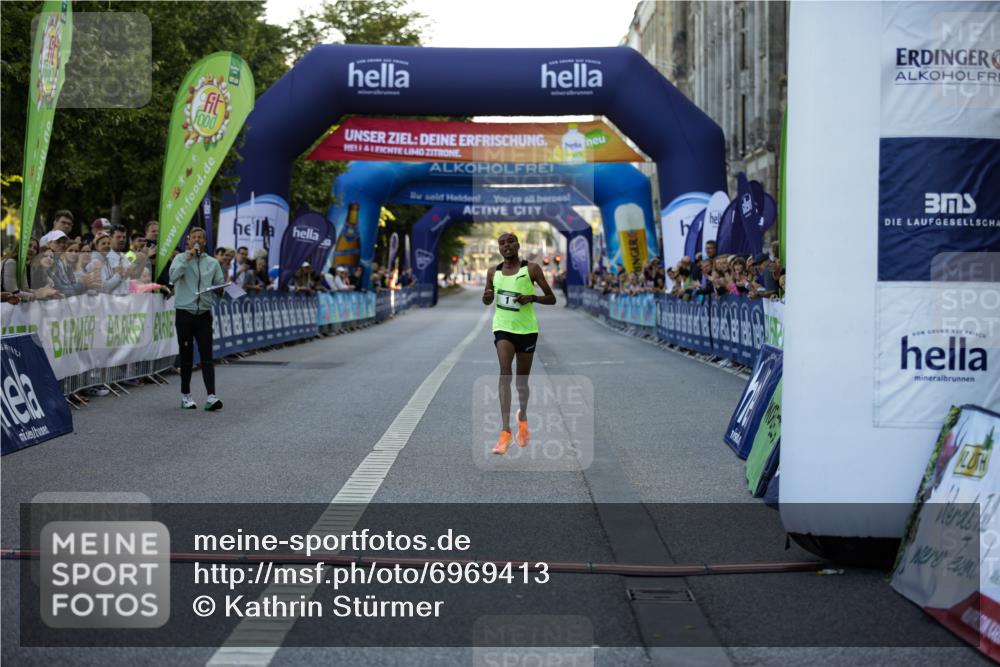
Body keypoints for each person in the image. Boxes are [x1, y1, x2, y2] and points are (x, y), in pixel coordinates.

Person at [482, 232, 556, 455]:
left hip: (527, 330)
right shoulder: (492, 272)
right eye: (502, 243)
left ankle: (522, 417)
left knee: (522, 382)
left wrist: (531, 298)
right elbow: (487, 298)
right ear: (499, 248)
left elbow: (551, 298)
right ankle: (505, 432)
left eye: (510, 242)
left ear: (518, 245)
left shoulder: (531, 269)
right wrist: (487, 297)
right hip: (503, 328)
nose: (506, 246)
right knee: (505, 372)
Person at [169, 227, 225, 411]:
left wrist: (221, 289)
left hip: (204, 314)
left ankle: (211, 396)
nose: (197, 240)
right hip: (185, 312)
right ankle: (186, 395)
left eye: (201, 238)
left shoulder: (213, 263)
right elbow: (173, 277)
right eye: (194, 237)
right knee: (186, 357)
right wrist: (188, 258)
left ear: (205, 242)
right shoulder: (180, 258)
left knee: (207, 356)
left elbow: (219, 285)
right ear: (188, 241)